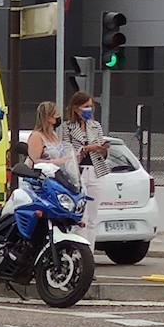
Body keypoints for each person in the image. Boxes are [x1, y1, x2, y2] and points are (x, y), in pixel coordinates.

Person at [65, 92, 110, 239]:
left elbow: (102, 152)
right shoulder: (68, 127)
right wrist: (83, 150)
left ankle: (89, 254)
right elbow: (66, 150)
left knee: (93, 218)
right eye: (86, 107)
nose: (89, 110)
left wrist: (101, 149)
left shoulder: (95, 126)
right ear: (76, 108)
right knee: (80, 217)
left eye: (91, 106)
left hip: (96, 171)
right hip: (79, 172)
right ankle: (80, 253)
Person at [26, 101, 73, 171]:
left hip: (57, 175)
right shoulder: (36, 136)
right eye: (56, 114)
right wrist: (54, 162)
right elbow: (34, 161)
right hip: (43, 176)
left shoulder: (54, 134)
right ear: (48, 118)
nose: (59, 116)